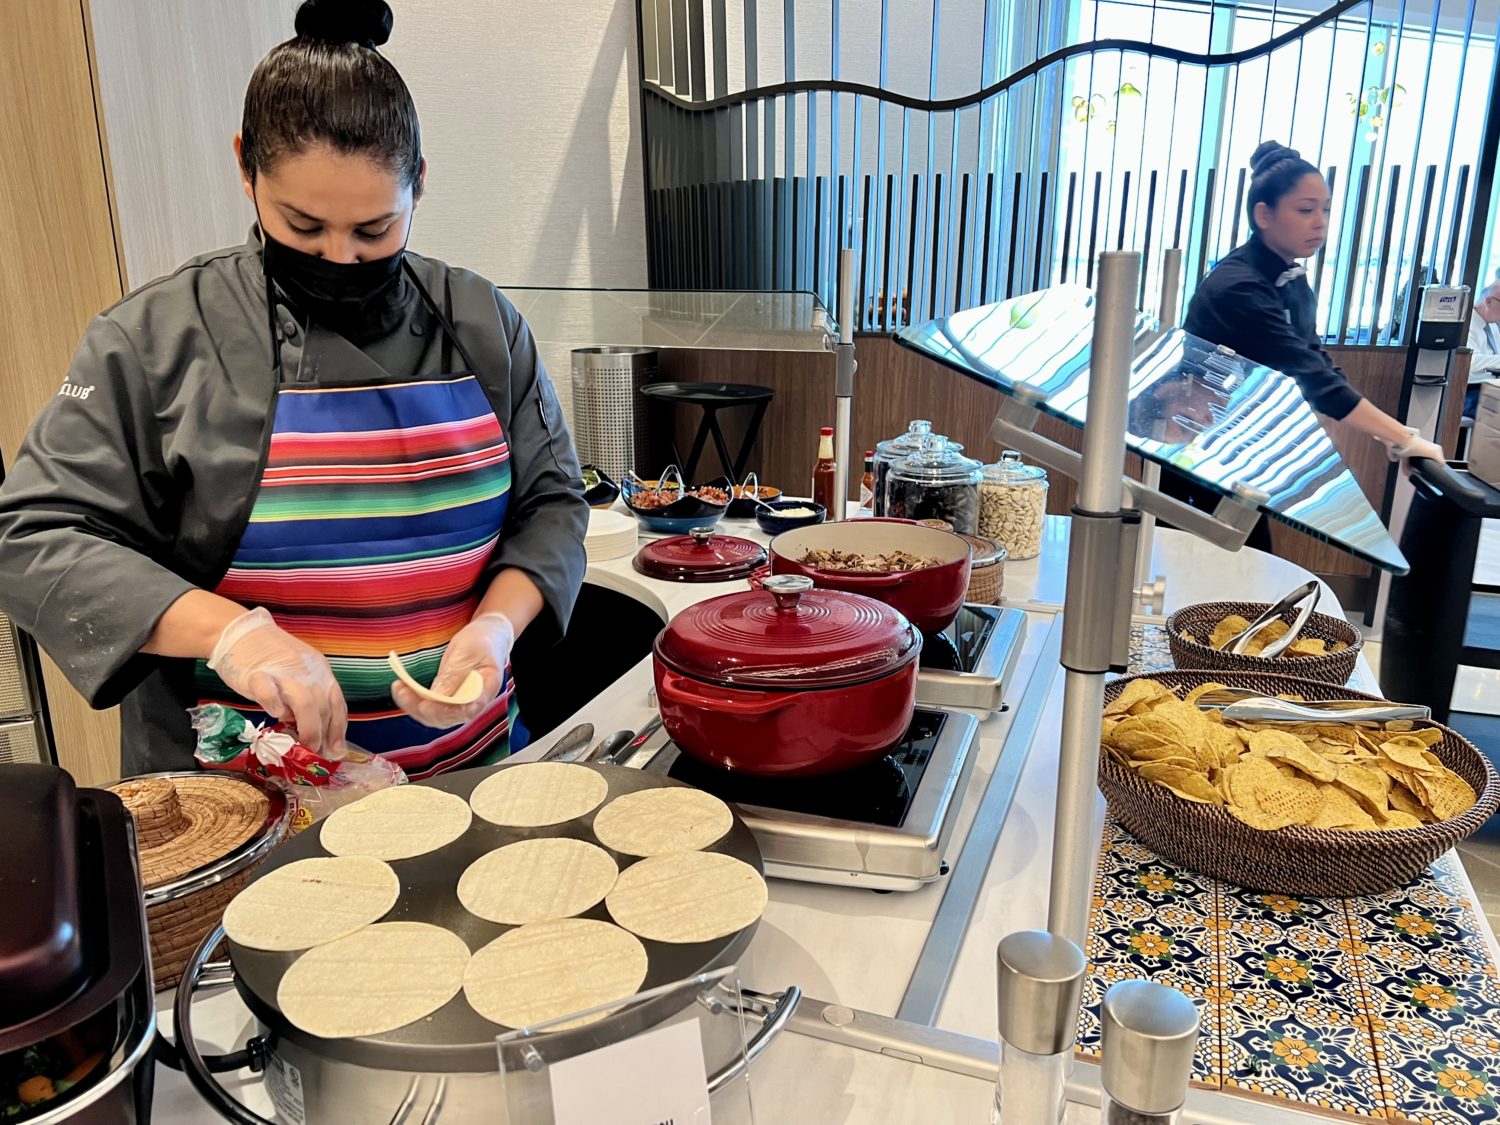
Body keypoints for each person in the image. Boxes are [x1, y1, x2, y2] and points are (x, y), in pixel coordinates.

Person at [0, 0, 587, 778]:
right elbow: (33, 536)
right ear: (245, 165)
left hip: (466, 781)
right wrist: (229, 634)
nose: (341, 256)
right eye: (304, 228)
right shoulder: (156, 341)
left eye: (375, 229)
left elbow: (553, 504)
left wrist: (495, 629)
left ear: (419, 182)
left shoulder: (483, 325)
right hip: (240, 805)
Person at [1186, 141, 1444, 470]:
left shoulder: (1291, 277)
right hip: (1199, 438)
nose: (1320, 223)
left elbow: (1314, 358)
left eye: (1325, 210)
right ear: (1264, 214)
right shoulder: (1240, 288)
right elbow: (1310, 375)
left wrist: (1390, 435)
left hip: (1238, 438)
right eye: (1306, 210)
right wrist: (1403, 439)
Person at [1464, 281, 1500, 417]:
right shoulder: (1466, 324)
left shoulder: (1493, 326)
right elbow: (1470, 363)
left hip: (1490, 386)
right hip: (1469, 390)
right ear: (1489, 302)